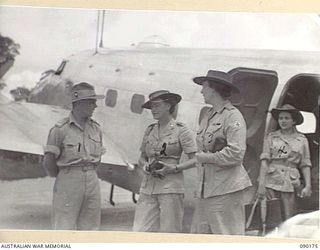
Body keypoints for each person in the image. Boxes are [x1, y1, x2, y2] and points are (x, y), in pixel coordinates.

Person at [191, 70, 252, 235]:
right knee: (201, 235)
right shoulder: (208, 114)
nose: (201, 91)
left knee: (227, 236)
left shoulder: (233, 117)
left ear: (214, 89)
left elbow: (236, 153)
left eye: (204, 87)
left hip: (226, 188)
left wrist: (206, 157)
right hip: (207, 187)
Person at [132, 90, 197, 233]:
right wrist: (145, 166)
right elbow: (142, 157)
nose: (153, 110)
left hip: (170, 188)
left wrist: (174, 168)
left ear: (168, 106)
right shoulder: (150, 130)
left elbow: (196, 159)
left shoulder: (181, 130)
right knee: (140, 231)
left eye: (156, 106)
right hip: (148, 187)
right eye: (151, 107)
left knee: (170, 232)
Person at [43, 82, 105, 230]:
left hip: (92, 179)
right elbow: (48, 161)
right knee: (64, 227)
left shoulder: (96, 129)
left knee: (91, 229)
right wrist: (66, 176)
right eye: (92, 102)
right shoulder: (60, 129)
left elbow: (98, 158)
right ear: (79, 103)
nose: (95, 106)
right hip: (68, 179)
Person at [257, 104, 312, 220]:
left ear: (294, 121)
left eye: (287, 118)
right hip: (271, 181)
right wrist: (261, 184)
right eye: (281, 118)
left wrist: (308, 186)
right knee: (271, 217)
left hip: (290, 183)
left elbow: (305, 164)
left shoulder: (302, 140)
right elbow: (265, 161)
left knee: (289, 218)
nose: (283, 121)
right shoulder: (271, 137)